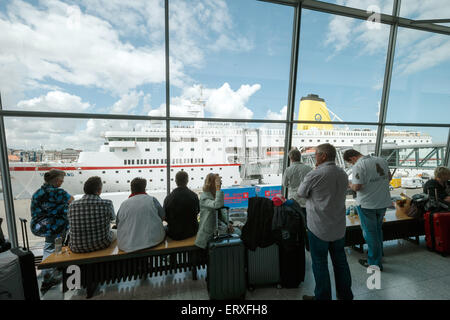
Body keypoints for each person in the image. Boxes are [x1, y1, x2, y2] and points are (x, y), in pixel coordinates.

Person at [298, 143, 353, 301]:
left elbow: (301, 193)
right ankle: (345, 295)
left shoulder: (315, 174)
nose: (314, 157)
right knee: (340, 262)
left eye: (316, 154)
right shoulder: (342, 173)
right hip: (338, 226)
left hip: (319, 227)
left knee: (320, 263)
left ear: (323, 156)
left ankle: (322, 297)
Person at [344, 149, 392, 271]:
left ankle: (374, 263)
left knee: (370, 233)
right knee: (377, 230)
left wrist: (349, 184)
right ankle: (379, 255)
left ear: (352, 158)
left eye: (350, 163)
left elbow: (357, 187)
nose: (351, 165)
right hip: (383, 202)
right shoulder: (381, 160)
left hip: (367, 205)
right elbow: (389, 177)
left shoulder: (359, 165)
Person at [30, 169, 74, 292]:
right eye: (61, 180)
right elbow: (72, 200)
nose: (62, 183)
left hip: (40, 226)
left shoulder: (37, 193)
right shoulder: (59, 193)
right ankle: (47, 278)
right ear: (55, 180)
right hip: (56, 226)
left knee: (55, 247)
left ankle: (54, 271)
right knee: (50, 249)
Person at [68, 176, 116, 253]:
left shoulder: (72, 205)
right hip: (102, 244)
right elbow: (113, 218)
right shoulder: (107, 203)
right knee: (116, 231)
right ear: (99, 190)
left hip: (76, 247)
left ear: (85, 190)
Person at [116, 177, 165, 252]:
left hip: (126, 245)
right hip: (153, 241)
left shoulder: (124, 204)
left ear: (131, 189)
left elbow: (118, 223)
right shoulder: (152, 200)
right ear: (144, 188)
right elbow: (162, 216)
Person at [195, 173, 233, 249]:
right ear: (211, 184)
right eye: (217, 182)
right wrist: (218, 188)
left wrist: (229, 223)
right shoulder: (204, 197)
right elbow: (217, 205)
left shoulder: (215, 195)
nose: (220, 184)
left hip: (217, 230)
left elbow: (223, 212)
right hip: (208, 235)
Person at [163, 171, 200, 240]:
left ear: (176, 181)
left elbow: (165, 217)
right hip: (192, 231)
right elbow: (197, 211)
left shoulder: (169, 198)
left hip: (174, 233)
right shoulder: (194, 196)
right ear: (187, 181)